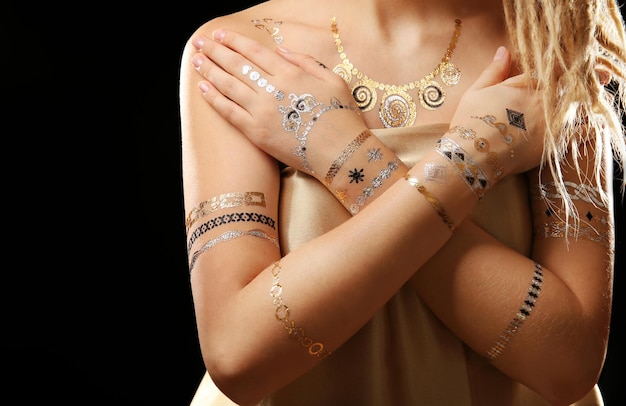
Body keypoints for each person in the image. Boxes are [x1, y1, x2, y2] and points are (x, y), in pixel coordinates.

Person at [179, 0, 626, 404]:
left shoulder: (552, 48)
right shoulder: (238, 53)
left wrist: (344, 157)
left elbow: (567, 367)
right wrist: (470, 159)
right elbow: (238, 359)